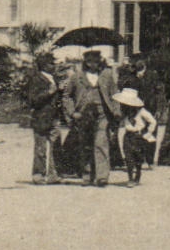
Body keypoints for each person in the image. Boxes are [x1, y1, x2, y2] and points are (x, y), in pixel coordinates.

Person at [65, 50, 121, 187]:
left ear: (100, 61)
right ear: (86, 62)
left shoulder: (106, 75)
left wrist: (116, 111)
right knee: (85, 144)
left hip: (103, 114)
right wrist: (72, 113)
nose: (93, 64)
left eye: (96, 61)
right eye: (90, 61)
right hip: (83, 114)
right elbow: (66, 96)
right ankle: (87, 174)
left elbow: (115, 94)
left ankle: (102, 177)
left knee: (101, 143)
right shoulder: (76, 76)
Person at [24, 52, 62, 185]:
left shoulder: (54, 78)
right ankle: (38, 174)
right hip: (41, 117)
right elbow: (33, 99)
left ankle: (53, 174)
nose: (54, 65)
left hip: (54, 116)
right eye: (51, 63)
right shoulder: (36, 79)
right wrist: (49, 92)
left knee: (55, 146)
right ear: (44, 65)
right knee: (40, 148)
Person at [113, 88, 158, 186]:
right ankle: (130, 179)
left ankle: (137, 175)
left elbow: (153, 121)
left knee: (138, 158)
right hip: (128, 137)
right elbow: (122, 125)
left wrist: (148, 133)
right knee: (129, 158)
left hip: (139, 137)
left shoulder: (142, 112)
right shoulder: (125, 113)